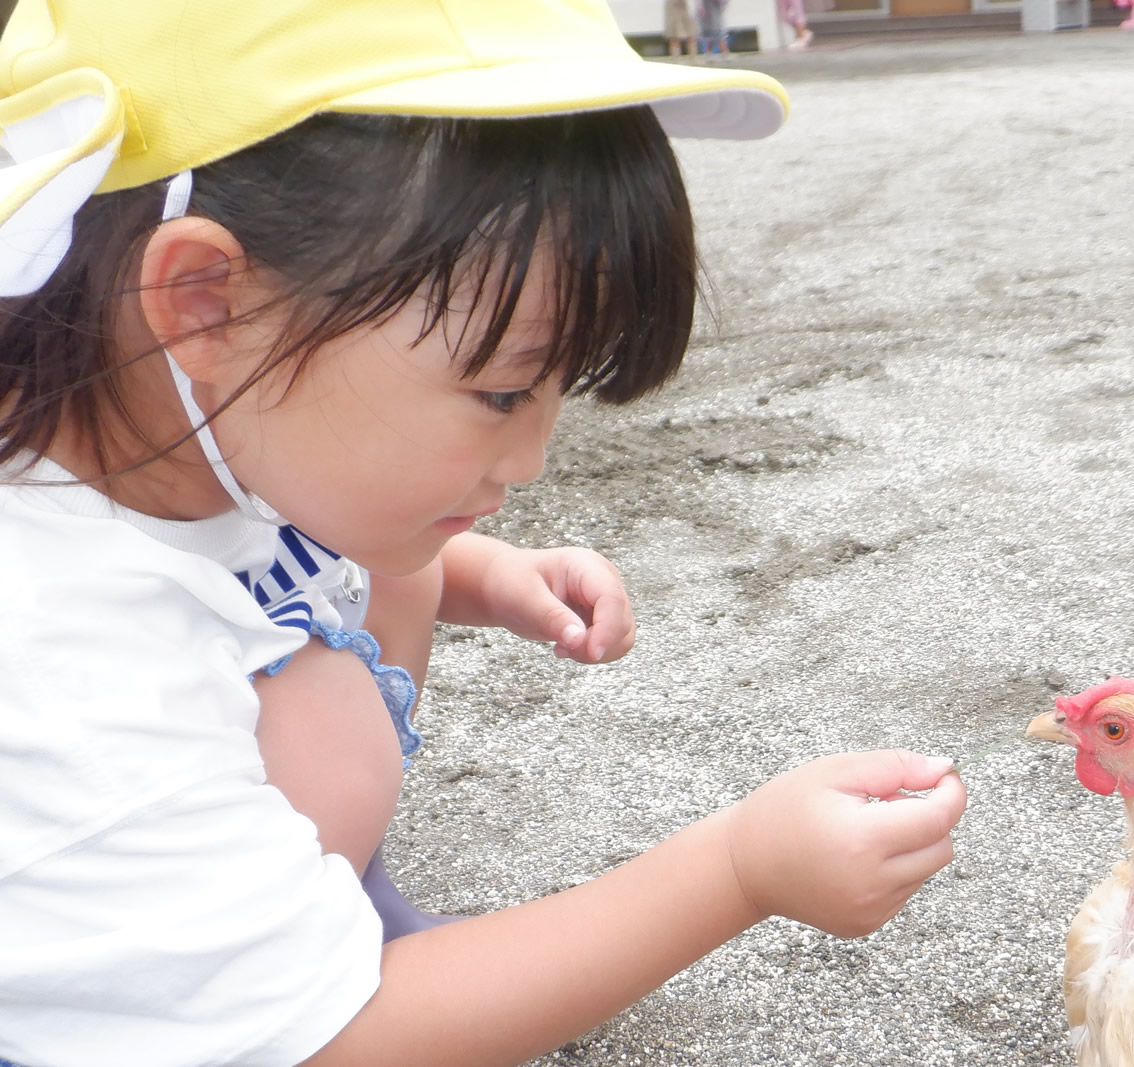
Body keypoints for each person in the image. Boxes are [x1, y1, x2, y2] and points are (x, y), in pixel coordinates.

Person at [0, 2, 967, 1066]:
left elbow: (269, 547)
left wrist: (483, 571)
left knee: (393, 566)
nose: (532, 461)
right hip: (231, 1020)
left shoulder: (160, 414)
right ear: (206, 301)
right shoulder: (56, 654)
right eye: (506, 392)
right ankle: (285, 939)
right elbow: (338, 1042)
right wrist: (739, 869)